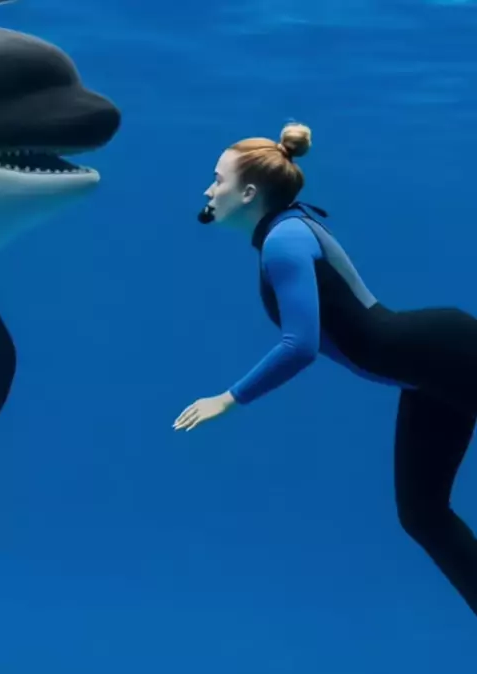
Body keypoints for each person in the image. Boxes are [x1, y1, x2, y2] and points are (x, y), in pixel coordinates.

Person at [173, 121, 477, 616]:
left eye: (217, 179)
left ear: (249, 194)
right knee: (422, 514)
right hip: (426, 372)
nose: (209, 190)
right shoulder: (287, 230)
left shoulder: (284, 240)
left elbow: (300, 345)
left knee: (425, 514)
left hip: (450, 352)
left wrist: (228, 399)